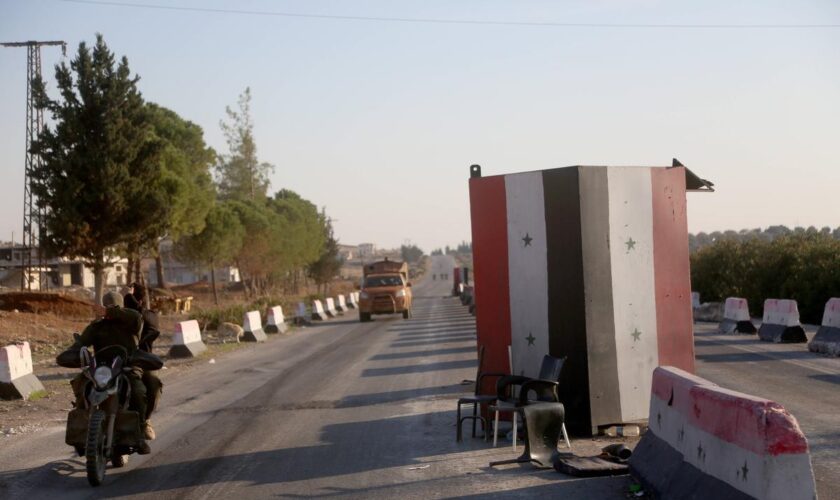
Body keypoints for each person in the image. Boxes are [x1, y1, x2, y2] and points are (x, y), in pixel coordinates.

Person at [75, 291, 151, 454]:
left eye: (113, 308)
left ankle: (142, 428)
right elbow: (82, 343)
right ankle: (82, 425)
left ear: (120, 308)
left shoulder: (131, 322)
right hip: (102, 369)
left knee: (139, 390)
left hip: (128, 366)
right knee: (79, 383)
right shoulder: (97, 327)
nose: (108, 312)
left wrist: (110, 312)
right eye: (106, 308)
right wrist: (74, 352)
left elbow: (135, 316)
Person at [123, 282, 162, 441]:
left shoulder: (149, 315)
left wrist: (128, 296)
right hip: (115, 361)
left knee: (153, 384)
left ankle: (145, 420)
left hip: (141, 360)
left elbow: (142, 317)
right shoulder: (114, 316)